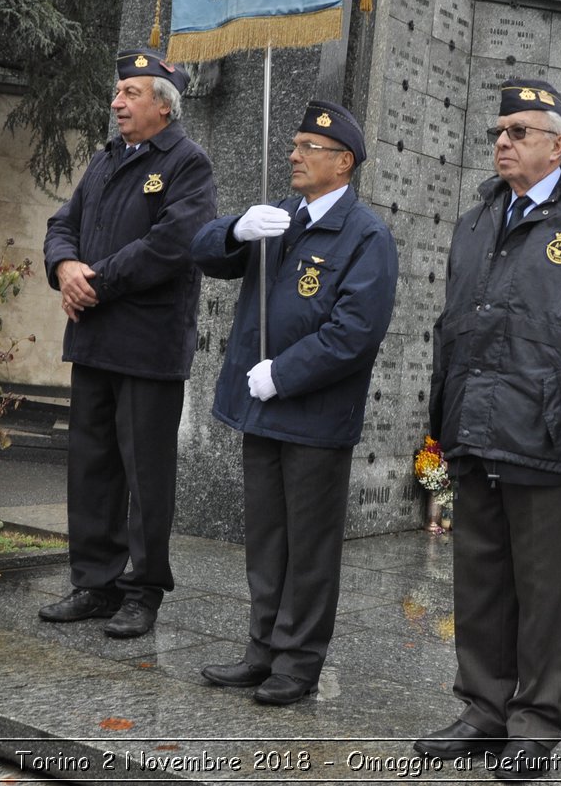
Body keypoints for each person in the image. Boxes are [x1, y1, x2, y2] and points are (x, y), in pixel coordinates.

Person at [416, 81, 561, 780]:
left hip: (550, 435)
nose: (503, 141)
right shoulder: (476, 219)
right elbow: (455, 325)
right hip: (476, 427)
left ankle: (535, 722)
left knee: (546, 587)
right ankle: (482, 709)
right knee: (480, 579)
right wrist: (443, 420)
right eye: (500, 130)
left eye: (520, 130)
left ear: (559, 143)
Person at [191, 100, 398, 705]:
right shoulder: (280, 216)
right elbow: (201, 253)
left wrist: (283, 373)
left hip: (312, 416)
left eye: (309, 146)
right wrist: (233, 229)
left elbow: (354, 333)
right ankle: (262, 649)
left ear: (343, 163)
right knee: (267, 539)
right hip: (264, 410)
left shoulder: (366, 237)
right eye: (296, 143)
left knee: (307, 547)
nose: (294, 154)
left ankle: (299, 662)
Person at [40, 49, 217, 639]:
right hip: (93, 341)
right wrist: (65, 266)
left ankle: (143, 590)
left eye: (131, 94)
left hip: (147, 348)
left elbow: (173, 244)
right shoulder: (106, 159)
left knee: (146, 476)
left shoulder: (188, 164)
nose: (117, 103)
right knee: (91, 469)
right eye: (117, 94)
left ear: (163, 107)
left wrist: (95, 282)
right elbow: (62, 224)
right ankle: (94, 582)